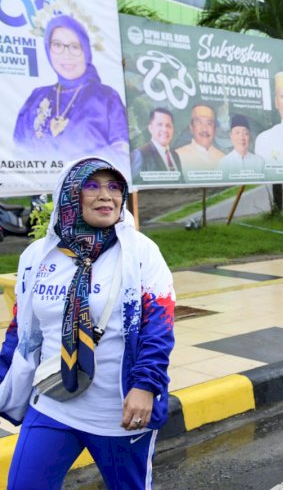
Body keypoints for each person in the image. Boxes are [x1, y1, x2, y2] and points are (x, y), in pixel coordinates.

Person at [0, 157, 175, 488]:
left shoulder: (140, 253)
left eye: (114, 187)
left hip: (118, 412)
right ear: (69, 194)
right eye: (92, 186)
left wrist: (145, 386)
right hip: (51, 401)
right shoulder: (37, 256)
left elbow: (159, 327)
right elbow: (22, 330)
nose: (106, 195)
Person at [13, 14, 129, 161]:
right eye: (57, 45)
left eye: (75, 47)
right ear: (48, 49)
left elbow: (121, 155)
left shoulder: (107, 98)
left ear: (86, 51)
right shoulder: (37, 97)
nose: (66, 55)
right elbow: (19, 151)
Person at [131, 108, 182, 184]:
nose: (165, 129)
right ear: (150, 128)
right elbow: (136, 185)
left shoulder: (175, 155)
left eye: (168, 125)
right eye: (159, 124)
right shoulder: (141, 154)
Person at [175, 103, 225, 178]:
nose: (204, 129)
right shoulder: (177, 157)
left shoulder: (223, 158)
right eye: (199, 123)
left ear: (214, 129)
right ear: (191, 128)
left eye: (209, 123)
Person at [219, 114, 265, 180]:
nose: (241, 137)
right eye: (237, 133)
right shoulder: (224, 163)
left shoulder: (259, 162)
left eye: (245, 133)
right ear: (231, 137)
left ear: (249, 137)